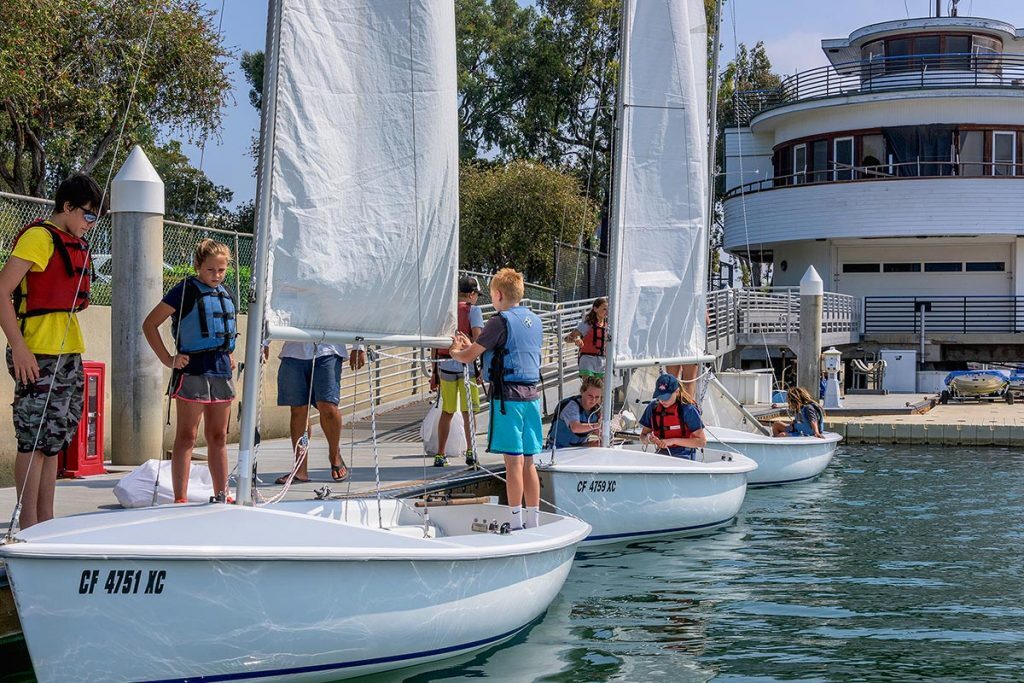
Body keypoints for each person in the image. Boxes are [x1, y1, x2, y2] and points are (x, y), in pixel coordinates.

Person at [0, 173, 103, 529]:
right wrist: (19, 347)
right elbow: (2, 291)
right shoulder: (39, 238)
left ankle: (46, 521)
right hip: (37, 352)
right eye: (88, 215)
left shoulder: (73, 242)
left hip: (67, 351)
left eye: (95, 218)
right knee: (32, 437)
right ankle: (26, 524)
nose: (90, 224)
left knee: (53, 439)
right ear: (68, 207)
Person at [143, 239, 237, 503]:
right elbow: (150, 324)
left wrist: (229, 354)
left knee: (219, 436)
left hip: (220, 372)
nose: (216, 276)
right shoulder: (184, 290)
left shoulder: (225, 292)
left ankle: (222, 493)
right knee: (187, 435)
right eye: (210, 270)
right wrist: (168, 359)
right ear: (198, 266)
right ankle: (180, 498)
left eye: (221, 270)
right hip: (192, 371)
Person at [450, 268, 542, 531]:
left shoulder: (499, 321)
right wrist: (472, 345)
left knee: (513, 461)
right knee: (529, 462)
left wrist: (457, 351)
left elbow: (468, 356)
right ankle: (533, 520)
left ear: (498, 294)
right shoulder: (534, 320)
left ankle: (515, 520)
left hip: (508, 400)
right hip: (532, 397)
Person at [274, 341, 366, 483]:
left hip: (329, 349)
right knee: (299, 410)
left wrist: (358, 346)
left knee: (328, 407)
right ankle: (300, 469)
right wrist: (265, 342)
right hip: (294, 350)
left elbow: (353, 317)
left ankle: (334, 454)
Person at [431, 275, 484, 467]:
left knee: (447, 411)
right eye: (477, 294)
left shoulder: (446, 311)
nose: (477, 298)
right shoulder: (474, 311)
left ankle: (440, 454)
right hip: (466, 365)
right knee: (468, 411)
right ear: (471, 294)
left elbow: (435, 343)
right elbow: (479, 339)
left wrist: (434, 371)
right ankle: (471, 451)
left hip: (445, 364)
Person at [638, 372, 707, 460]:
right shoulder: (652, 408)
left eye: (666, 397)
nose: (663, 401)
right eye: (660, 397)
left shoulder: (688, 410)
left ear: (677, 392)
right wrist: (649, 439)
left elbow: (702, 442)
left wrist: (672, 441)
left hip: (684, 456)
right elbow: (643, 436)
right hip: (661, 454)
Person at [545, 375, 603, 449]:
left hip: (578, 447)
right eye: (590, 396)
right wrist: (597, 425)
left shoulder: (597, 410)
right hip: (558, 448)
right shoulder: (571, 406)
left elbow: (599, 431)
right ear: (582, 392)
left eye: (597, 397)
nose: (593, 400)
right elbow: (575, 427)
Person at [564, 297, 608, 378]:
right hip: (587, 360)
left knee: (601, 390)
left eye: (608, 309)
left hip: (602, 362)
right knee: (589, 388)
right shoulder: (587, 324)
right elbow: (567, 338)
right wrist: (576, 340)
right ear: (595, 309)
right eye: (604, 309)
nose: (607, 312)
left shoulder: (608, 326)